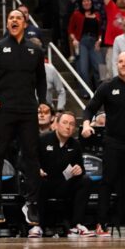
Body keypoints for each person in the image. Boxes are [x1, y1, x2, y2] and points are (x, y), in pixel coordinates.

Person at [0, 9, 46, 226]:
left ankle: (32, 203)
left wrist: (43, 100)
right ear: (7, 23)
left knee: (32, 157)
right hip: (3, 110)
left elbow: (41, 79)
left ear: (25, 23)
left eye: (18, 18)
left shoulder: (35, 50)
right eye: (10, 18)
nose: (14, 20)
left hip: (27, 110)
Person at [81, 50, 125, 236]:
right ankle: (101, 223)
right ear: (117, 64)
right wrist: (85, 125)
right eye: (121, 61)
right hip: (113, 142)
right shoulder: (108, 86)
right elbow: (89, 109)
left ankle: (120, 221)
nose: (123, 64)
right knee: (107, 183)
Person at [37, 112, 95, 237]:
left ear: (74, 128)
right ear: (56, 124)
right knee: (38, 181)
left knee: (86, 180)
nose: (68, 127)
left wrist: (80, 170)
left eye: (72, 124)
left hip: (65, 184)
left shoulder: (75, 144)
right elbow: (25, 162)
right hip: (45, 183)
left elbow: (81, 168)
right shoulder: (43, 139)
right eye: (64, 123)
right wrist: (36, 169)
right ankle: (38, 226)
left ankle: (76, 225)